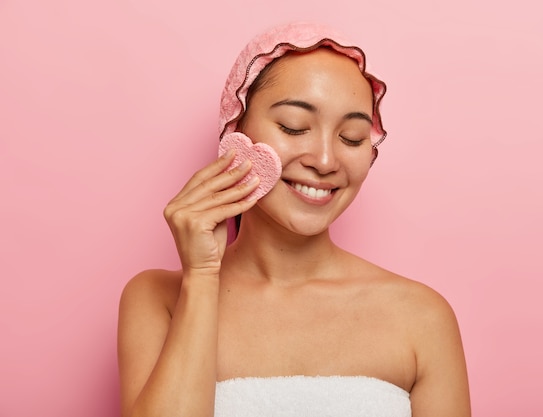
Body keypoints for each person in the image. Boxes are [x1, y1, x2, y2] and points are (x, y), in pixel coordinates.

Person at [117, 21, 471, 417]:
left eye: (352, 137)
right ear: (235, 134)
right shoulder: (158, 300)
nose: (324, 161)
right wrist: (201, 277)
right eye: (294, 127)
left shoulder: (421, 316)